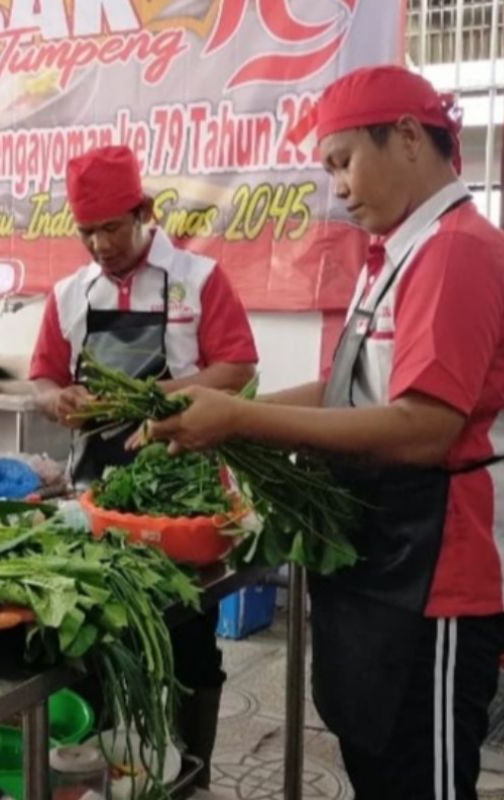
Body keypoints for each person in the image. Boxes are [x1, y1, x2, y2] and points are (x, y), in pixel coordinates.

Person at [146, 66, 504, 798]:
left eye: (343, 162)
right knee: (376, 755)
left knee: (419, 775)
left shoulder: (456, 250)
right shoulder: (399, 255)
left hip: (436, 570)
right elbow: (350, 392)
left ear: (406, 137)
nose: (337, 188)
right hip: (386, 552)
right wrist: (223, 419)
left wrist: (241, 414)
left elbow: (426, 427)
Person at [29, 145, 258, 788]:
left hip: (184, 494)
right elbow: (43, 377)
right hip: (96, 494)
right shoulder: (71, 293)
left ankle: (193, 771)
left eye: (110, 227)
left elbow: (237, 367)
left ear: (145, 213)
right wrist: (56, 398)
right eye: (86, 231)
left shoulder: (198, 278)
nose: (99, 244)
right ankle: (106, 768)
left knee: (188, 637)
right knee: (98, 640)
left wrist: (160, 401)